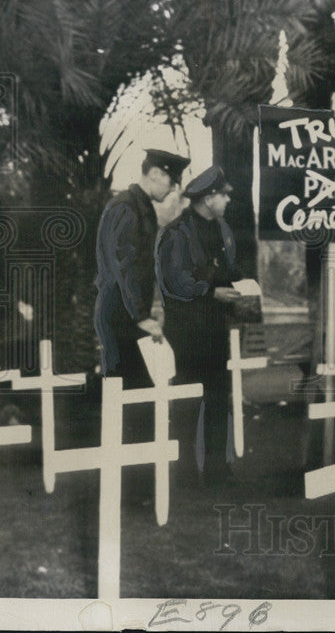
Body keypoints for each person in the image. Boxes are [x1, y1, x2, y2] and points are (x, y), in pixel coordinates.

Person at [156, 166, 242, 487]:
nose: (229, 199)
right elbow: (175, 282)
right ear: (208, 198)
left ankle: (218, 470)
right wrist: (212, 290)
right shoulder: (175, 233)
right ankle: (183, 473)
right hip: (186, 333)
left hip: (215, 330)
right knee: (187, 403)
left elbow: (229, 270)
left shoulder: (223, 230)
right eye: (224, 195)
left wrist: (241, 289)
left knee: (220, 399)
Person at [94, 148, 190, 390]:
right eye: (172, 180)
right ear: (156, 173)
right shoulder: (126, 207)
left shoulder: (140, 207)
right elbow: (123, 267)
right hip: (120, 316)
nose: (172, 188)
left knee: (133, 394)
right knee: (131, 395)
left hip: (125, 314)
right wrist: (140, 317)